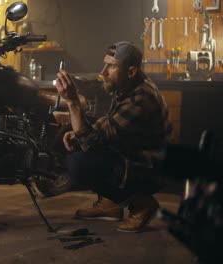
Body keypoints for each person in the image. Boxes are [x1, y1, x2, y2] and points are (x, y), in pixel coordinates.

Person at [54, 41, 170, 233]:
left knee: (79, 163)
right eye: (105, 64)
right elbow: (109, 124)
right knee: (77, 140)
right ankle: (111, 204)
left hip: (149, 169)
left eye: (112, 66)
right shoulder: (129, 87)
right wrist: (77, 133)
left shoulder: (140, 98)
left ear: (131, 71)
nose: (103, 71)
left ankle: (142, 204)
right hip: (136, 156)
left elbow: (92, 142)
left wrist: (72, 102)